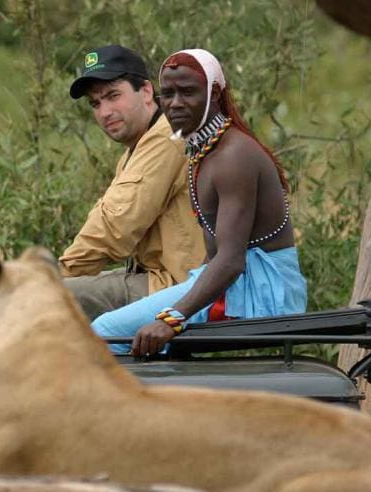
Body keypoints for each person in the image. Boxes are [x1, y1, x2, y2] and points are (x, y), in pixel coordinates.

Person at [92, 48, 307, 355]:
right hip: (236, 283)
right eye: (167, 94)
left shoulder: (233, 156)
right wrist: (180, 303)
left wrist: (173, 316)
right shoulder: (202, 148)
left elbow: (231, 260)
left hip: (260, 294)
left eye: (188, 92)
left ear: (215, 93)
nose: (175, 103)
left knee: (103, 333)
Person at [63, 44, 207, 320]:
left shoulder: (168, 137)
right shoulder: (142, 143)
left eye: (113, 96)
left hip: (178, 288)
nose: (105, 112)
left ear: (147, 91)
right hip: (162, 279)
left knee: (46, 297)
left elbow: (115, 228)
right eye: (96, 103)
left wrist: (55, 275)